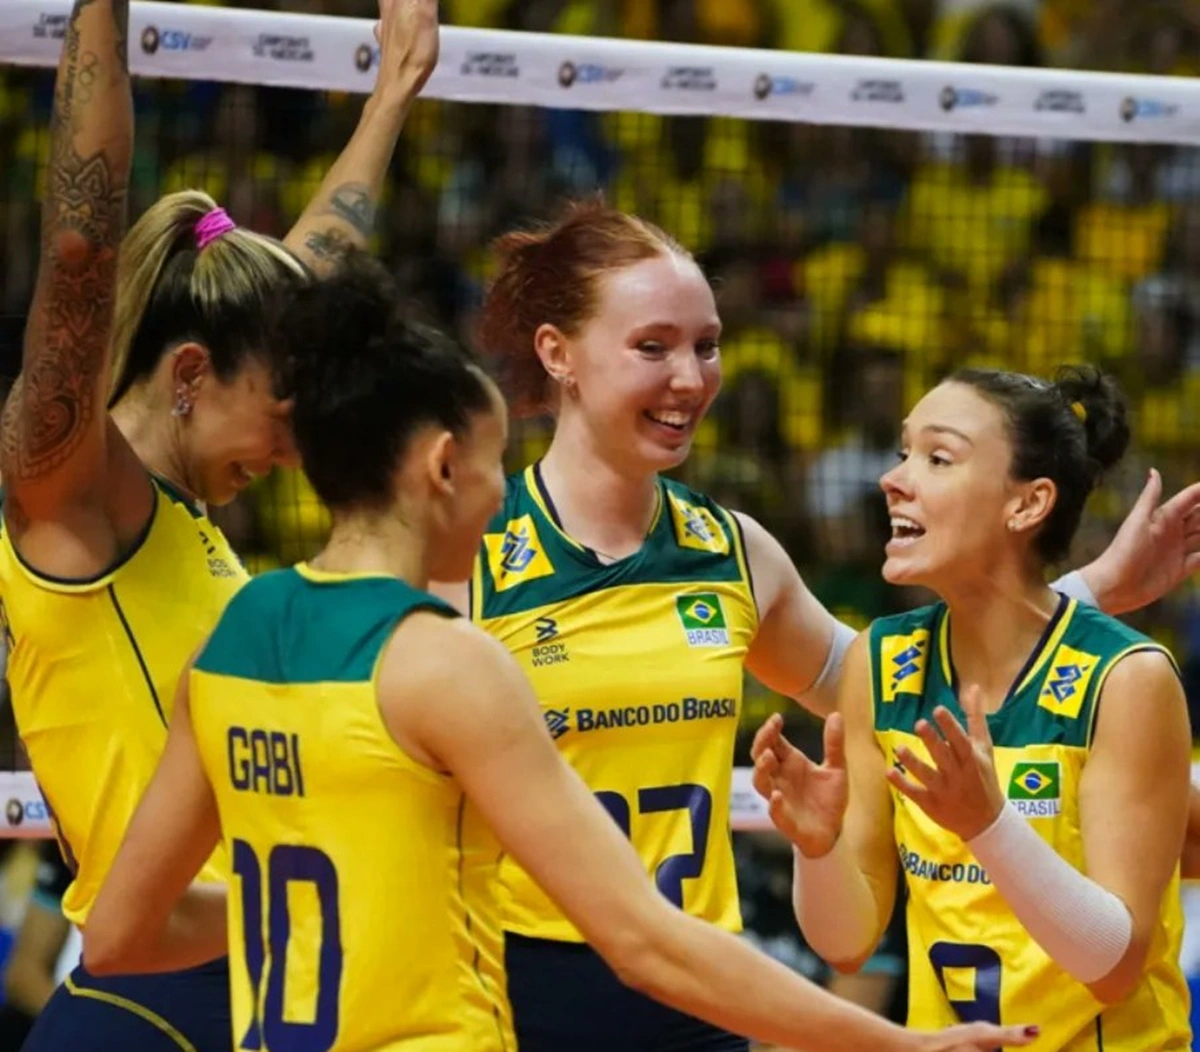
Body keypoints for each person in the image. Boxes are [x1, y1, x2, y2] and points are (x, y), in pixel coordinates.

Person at [81, 250, 1036, 1052]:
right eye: (497, 463)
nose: (505, 495)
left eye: (704, 347)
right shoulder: (450, 662)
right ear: (443, 468)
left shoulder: (234, 637)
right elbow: (643, 945)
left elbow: (119, 937)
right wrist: (896, 1043)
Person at [431, 200, 1200, 1052]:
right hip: (518, 984)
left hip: (700, 987)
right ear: (558, 354)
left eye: (706, 344)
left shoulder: (732, 553)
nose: (690, 376)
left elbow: (907, 688)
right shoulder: (474, 557)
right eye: (653, 346)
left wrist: (1080, 595)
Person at [0, 0, 439, 1047]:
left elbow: (317, 263)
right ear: (189, 372)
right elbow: (76, 244)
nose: (295, 451)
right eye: (281, 416)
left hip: (259, 979)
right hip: (154, 1000)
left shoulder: (187, 514)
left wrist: (389, 95)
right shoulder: (69, 492)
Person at [752, 366, 1192, 1049]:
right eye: (903, 452)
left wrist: (989, 826)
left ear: (1027, 505)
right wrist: (817, 849)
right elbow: (847, 944)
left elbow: (1114, 964)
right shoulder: (883, 660)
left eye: (938, 457)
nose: (894, 479)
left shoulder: (1126, 679)